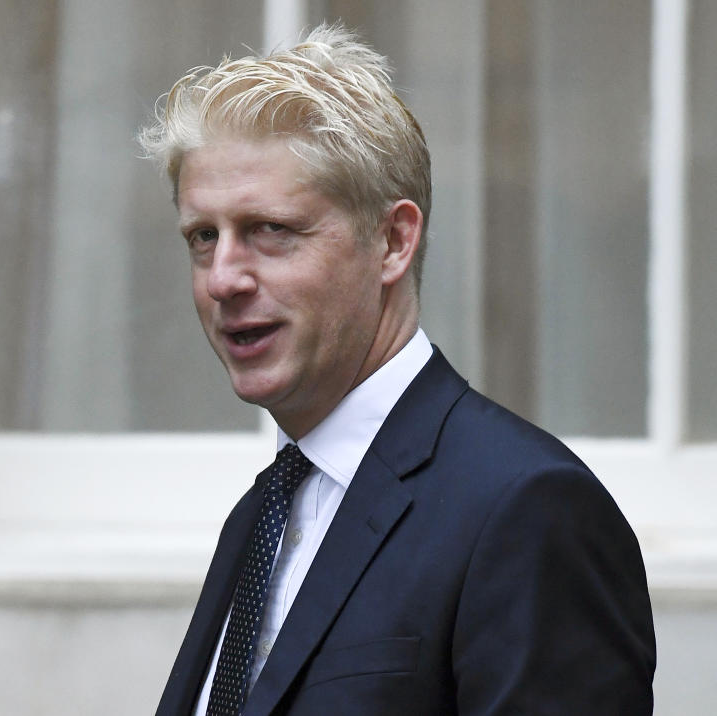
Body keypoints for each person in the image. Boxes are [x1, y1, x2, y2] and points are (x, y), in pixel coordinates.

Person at [139, 25, 655, 716]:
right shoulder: (263, 514)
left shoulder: (526, 510)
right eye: (204, 237)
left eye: (271, 230)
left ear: (391, 241)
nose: (224, 277)